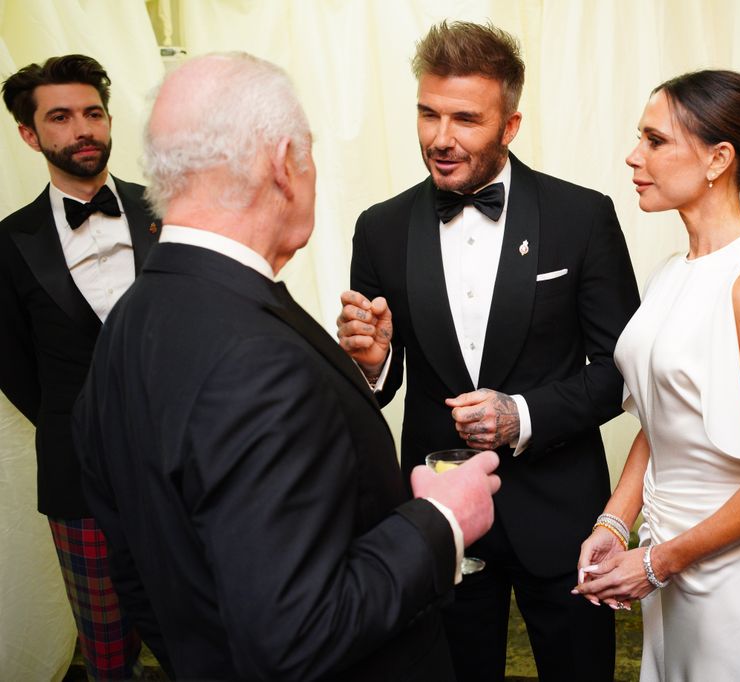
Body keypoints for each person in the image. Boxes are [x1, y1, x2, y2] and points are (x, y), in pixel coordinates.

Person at [73, 52, 501, 681]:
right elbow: (296, 634)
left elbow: (137, 570)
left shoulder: (129, 324)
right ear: (283, 163)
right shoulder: (255, 357)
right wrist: (440, 521)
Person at [336, 20, 639, 682]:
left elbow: (625, 371)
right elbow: (377, 387)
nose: (440, 138)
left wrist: (520, 417)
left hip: (561, 519)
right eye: (428, 113)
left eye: (466, 119)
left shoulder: (581, 217)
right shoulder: (380, 227)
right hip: (440, 520)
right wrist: (372, 361)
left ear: (510, 125)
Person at [574, 70, 740, 681]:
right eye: (641, 138)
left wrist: (659, 562)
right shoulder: (672, 272)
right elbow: (663, 422)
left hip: (731, 584)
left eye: (656, 141)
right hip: (669, 570)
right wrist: (615, 523)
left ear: (719, 159)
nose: (634, 156)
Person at [0, 54, 159, 680]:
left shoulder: (169, 211)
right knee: (107, 647)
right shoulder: (10, 244)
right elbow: (15, 369)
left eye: (92, 112)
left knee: (206, 618)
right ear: (31, 135)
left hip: (184, 463)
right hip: (78, 475)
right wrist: (85, 425)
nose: (82, 128)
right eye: (60, 117)